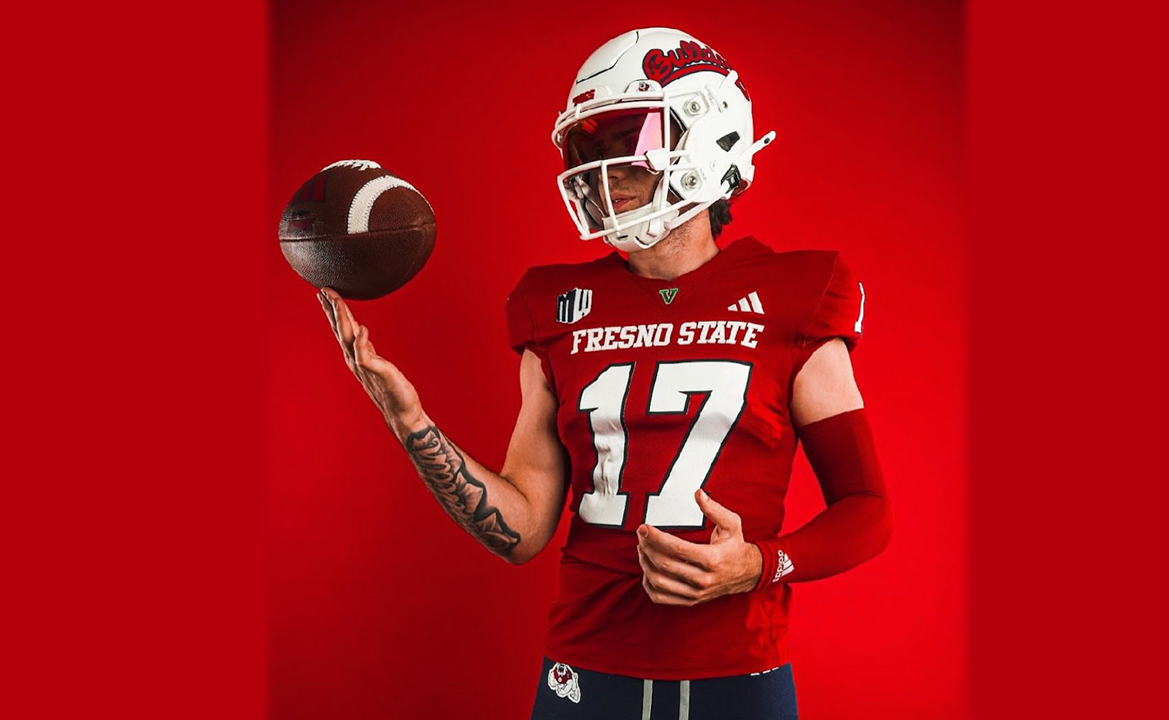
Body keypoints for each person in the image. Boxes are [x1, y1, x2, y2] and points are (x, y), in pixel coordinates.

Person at [317, 27, 890, 720]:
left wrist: (759, 564)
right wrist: (411, 422)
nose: (602, 169)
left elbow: (866, 507)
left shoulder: (799, 290)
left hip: (739, 675)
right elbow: (524, 529)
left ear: (709, 139)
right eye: (590, 148)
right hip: (584, 675)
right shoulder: (553, 303)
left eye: (628, 140)